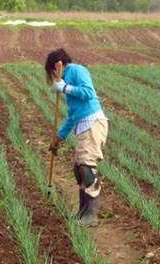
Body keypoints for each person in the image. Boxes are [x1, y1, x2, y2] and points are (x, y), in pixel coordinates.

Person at [46, 48, 108, 226]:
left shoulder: (77, 70)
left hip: (93, 123)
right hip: (83, 125)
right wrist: (59, 137)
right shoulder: (66, 78)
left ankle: (91, 216)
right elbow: (73, 115)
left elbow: (89, 92)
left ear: (58, 65)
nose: (53, 76)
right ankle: (82, 213)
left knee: (86, 167)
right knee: (79, 170)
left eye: (53, 71)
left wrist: (65, 87)